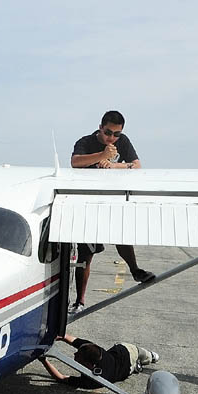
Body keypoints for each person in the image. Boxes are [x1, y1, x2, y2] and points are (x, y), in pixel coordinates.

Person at [69, 110, 154, 314]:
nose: (112, 138)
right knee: (85, 254)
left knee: (121, 236)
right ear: (100, 128)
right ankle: (79, 300)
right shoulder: (85, 141)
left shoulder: (123, 142)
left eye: (116, 134)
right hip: (88, 202)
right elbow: (75, 162)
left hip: (112, 200)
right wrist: (102, 156)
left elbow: (137, 166)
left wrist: (114, 165)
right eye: (108, 133)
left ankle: (135, 270)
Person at [40, 333, 160, 389]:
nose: (74, 353)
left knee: (146, 355)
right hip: (124, 355)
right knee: (138, 358)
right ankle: (143, 361)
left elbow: (61, 378)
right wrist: (59, 336)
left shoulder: (93, 381)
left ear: (88, 364)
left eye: (78, 356)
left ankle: (149, 357)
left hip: (128, 355)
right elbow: (70, 338)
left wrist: (44, 360)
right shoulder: (94, 350)